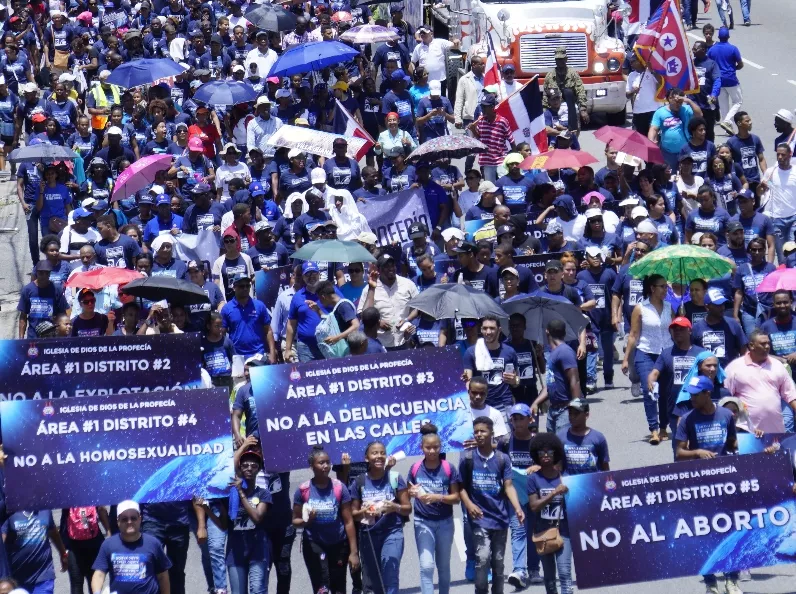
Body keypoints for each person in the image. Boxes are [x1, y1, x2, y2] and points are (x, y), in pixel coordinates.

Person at [458, 416, 525, 594]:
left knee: (498, 561)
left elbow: (508, 486)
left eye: (483, 431)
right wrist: (469, 504)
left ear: (492, 434)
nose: (479, 435)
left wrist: (517, 508)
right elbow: (461, 487)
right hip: (479, 518)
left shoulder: (503, 459)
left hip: (500, 518)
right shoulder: (468, 459)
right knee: (482, 558)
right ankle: (481, 591)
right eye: (476, 431)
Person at [291, 446, 359, 594]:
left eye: (328, 462)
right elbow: (295, 520)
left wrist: (353, 552)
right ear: (311, 466)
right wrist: (307, 521)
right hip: (314, 544)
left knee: (339, 588)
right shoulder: (303, 490)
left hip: (339, 544)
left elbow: (348, 522)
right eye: (321, 463)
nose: (325, 466)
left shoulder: (339, 488)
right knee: (322, 587)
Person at [406, 424, 461, 594]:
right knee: (426, 566)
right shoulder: (415, 468)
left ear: (440, 447)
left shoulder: (448, 468)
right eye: (428, 447)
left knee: (443, 566)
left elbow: (456, 498)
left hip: (445, 523)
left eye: (435, 447)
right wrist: (411, 492)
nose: (431, 451)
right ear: (421, 447)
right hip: (422, 522)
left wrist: (437, 497)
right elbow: (407, 493)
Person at [351, 440, 410, 594]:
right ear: (366, 458)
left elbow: (407, 508)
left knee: (390, 576)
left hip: (392, 533)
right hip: (368, 535)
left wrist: (395, 507)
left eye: (382, 453)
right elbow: (354, 515)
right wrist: (364, 512)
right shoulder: (359, 481)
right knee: (375, 583)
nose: (379, 456)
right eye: (374, 453)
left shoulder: (395, 478)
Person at [622, 274, 674, 445]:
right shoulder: (640, 308)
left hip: (666, 354)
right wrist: (626, 359)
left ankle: (664, 427)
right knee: (650, 390)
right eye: (662, 287)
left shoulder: (669, 307)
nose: (666, 290)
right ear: (652, 288)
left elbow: (675, 331)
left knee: (666, 393)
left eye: (666, 287)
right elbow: (633, 335)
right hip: (646, 353)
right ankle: (653, 429)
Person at [495, 403, 542, 589]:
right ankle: (519, 570)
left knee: (535, 531)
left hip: (535, 494)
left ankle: (533, 569)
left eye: (522, 418)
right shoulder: (505, 441)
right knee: (519, 530)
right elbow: (497, 465)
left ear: (530, 419)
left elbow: (552, 465)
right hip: (514, 494)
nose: (518, 422)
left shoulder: (538, 441)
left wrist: (538, 467)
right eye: (515, 418)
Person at [91, 500, 172, 594]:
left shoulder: (153, 543)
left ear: (140, 519)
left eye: (133, 518)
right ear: (118, 522)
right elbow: (99, 575)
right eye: (124, 519)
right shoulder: (108, 545)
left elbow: (163, 576)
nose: (129, 522)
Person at [725, 330, 796, 433]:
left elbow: (791, 394)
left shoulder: (777, 365)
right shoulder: (734, 368)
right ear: (751, 345)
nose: (767, 346)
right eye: (763, 344)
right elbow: (726, 400)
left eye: (768, 343)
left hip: (775, 432)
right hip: (747, 433)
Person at [527, 432, 572, 594]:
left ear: (556, 454)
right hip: (542, 533)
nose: (545, 455)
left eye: (549, 452)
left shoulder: (565, 478)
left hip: (564, 531)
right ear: (537, 455)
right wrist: (553, 493)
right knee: (550, 578)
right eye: (541, 452)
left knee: (565, 572)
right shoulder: (533, 479)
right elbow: (534, 506)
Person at [358, 254, 419, 350]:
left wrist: (407, 320)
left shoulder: (408, 284)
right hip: (381, 343)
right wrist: (378, 322)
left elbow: (417, 307)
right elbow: (363, 314)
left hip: (405, 341)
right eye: (386, 266)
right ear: (379, 269)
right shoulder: (370, 288)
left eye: (392, 265)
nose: (391, 268)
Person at [532, 319, 582, 432]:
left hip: (565, 410)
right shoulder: (554, 353)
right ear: (564, 333)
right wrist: (536, 402)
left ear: (547, 332)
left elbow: (575, 380)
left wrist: (576, 410)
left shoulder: (565, 352)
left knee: (564, 445)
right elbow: (551, 385)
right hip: (553, 410)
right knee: (554, 447)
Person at [221, 272, 276, 363]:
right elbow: (222, 335)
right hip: (237, 356)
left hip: (258, 354)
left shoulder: (259, 306)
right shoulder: (227, 309)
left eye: (248, 285)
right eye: (241, 286)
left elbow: (268, 331)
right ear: (234, 287)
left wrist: (272, 353)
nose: (245, 288)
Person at [758, 143, 796, 263]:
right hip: (776, 220)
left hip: (794, 218)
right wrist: (762, 186)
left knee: (793, 253)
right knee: (782, 256)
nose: (780, 157)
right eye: (778, 154)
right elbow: (759, 192)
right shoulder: (771, 172)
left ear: (790, 155)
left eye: (783, 155)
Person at [648, 87, 703, 169]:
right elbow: (654, 128)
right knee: (669, 176)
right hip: (667, 153)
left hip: (686, 151)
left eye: (680, 102)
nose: (678, 104)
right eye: (676, 101)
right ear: (670, 99)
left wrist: (689, 101)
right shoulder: (660, 112)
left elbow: (699, 115)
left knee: (686, 174)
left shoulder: (686, 109)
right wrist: (651, 141)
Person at [693, 287, 748, 367]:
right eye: (717, 305)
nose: (722, 308)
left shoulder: (733, 324)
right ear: (707, 307)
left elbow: (744, 349)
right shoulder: (697, 328)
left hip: (728, 373)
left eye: (723, 304)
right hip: (706, 375)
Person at [558, 398, 610, 474]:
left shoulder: (598, 438)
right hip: (569, 483)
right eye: (570, 413)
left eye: (576, 413)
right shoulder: (561, 436)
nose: (572, 416)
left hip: (592, 482)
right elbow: (557, 466)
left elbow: (605, 466)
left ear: (586, 415)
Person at [707, 27, 744, 136]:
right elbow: (740, 64)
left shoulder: (712, 50)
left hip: (718, 80)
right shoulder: (733, 49)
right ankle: (727, 121)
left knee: (723, 105)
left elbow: (709, 63)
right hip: (731, 79)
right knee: (738, 101)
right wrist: (734, 68)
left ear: (718, 37)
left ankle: (727, 128)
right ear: (728, 37)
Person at [542, 46, 587, 129]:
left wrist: (583, 109)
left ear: (566, 59)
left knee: (573, 137)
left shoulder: (573, 74)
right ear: (555, 60)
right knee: (556, 137)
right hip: (555, 111)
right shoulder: (549, 76)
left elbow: (580, 91)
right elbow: (545, 95)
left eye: (562, 59)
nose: (560, 62)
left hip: (571, 110)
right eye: (558, 59)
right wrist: (544, 111)